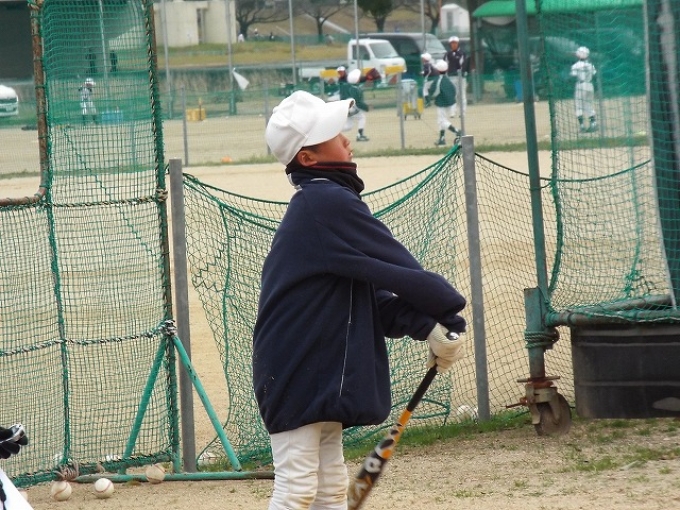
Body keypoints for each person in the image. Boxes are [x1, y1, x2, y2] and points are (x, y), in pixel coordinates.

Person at [255, 89, 467, 510]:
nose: (347, 139)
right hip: (297, 367)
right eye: (333, 135)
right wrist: (448, 313)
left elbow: (373, 300)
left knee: (330, 486)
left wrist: (428, 327)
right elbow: (398, 267)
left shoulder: (325, 201)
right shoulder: (325, 202)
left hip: (315, 366)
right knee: (296, 488)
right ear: (308, 158)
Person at [429, 60, 460, 146]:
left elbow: (434, 91)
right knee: (441, 120)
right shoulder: (448, 80)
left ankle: (457, 131)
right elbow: (454, 91)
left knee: (442, 121)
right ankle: (442, 139)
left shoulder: (438, 80)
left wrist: (430, 97)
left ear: (437, 70)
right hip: (450, 102)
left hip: (442, 103)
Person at [571, 46, 597, 133]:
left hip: (580, 85)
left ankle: (582, 126)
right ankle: (593, 124)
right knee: (588, 105)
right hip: (590, 85)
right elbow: (595, 76)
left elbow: (573, 77)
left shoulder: (576, 65)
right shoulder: (590, 65)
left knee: (578, 106)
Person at [340, 69, 370, 142]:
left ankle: (332, 131)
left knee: (348, 126)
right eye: (359, 77)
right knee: (361, 117)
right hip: (350, 107)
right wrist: (367, 107)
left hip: (345, 107)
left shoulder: (346, 86)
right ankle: (360, 135)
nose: (360, 78)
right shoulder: (355, 88)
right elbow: (358, 102)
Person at [444, 36, 468, 117]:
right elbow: (445, 64)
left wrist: (461, 72)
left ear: (458, 44)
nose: (454, 44)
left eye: (455, 43)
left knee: (462, 95)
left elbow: (463, 64)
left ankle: (462, 113)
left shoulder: (462, 53)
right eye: (452, 43)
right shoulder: (448, 54)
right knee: (452, 94)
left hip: (460, 77)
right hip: (451, 77)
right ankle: (453, 112)